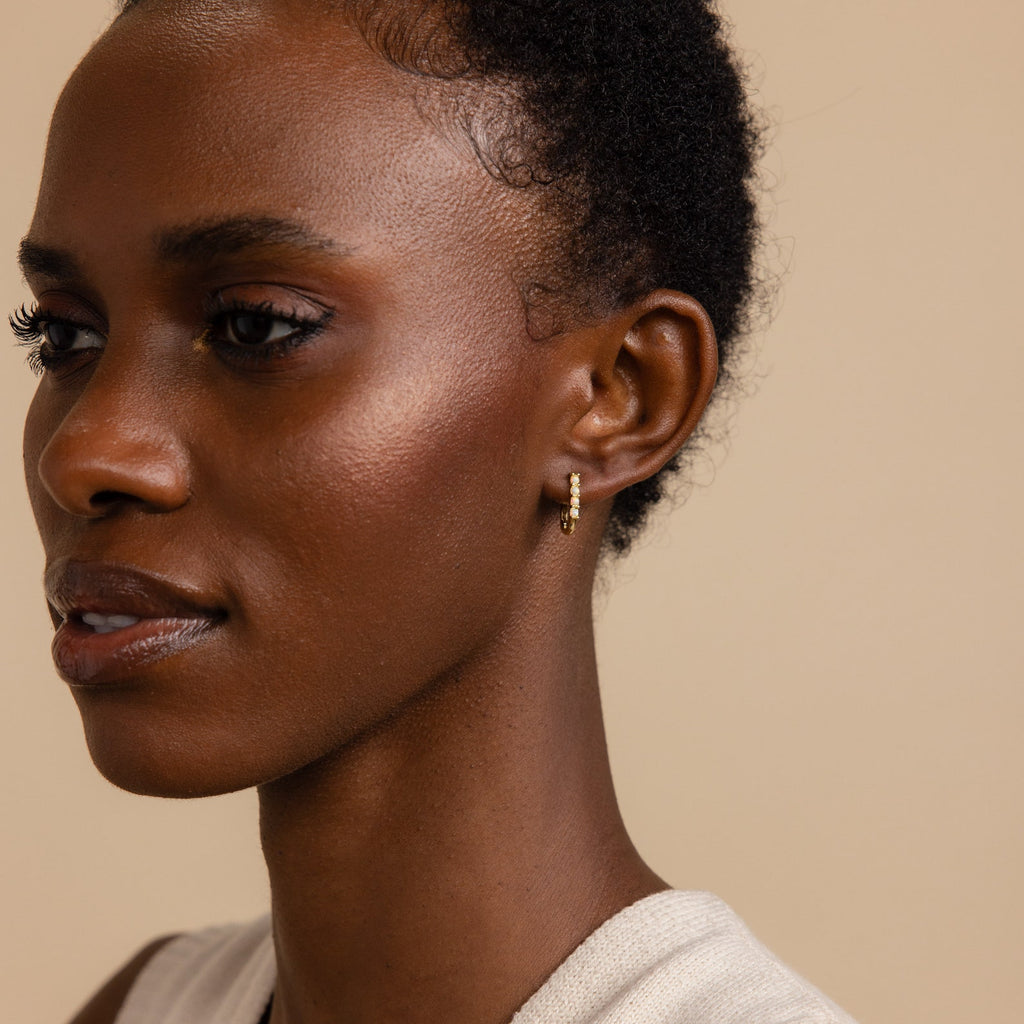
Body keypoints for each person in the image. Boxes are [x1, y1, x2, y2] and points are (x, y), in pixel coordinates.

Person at [12, 1, 857, 1022]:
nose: (86, 452)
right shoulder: (152, 1005)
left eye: (257, 326)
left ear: (619, 396)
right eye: (61, 338)